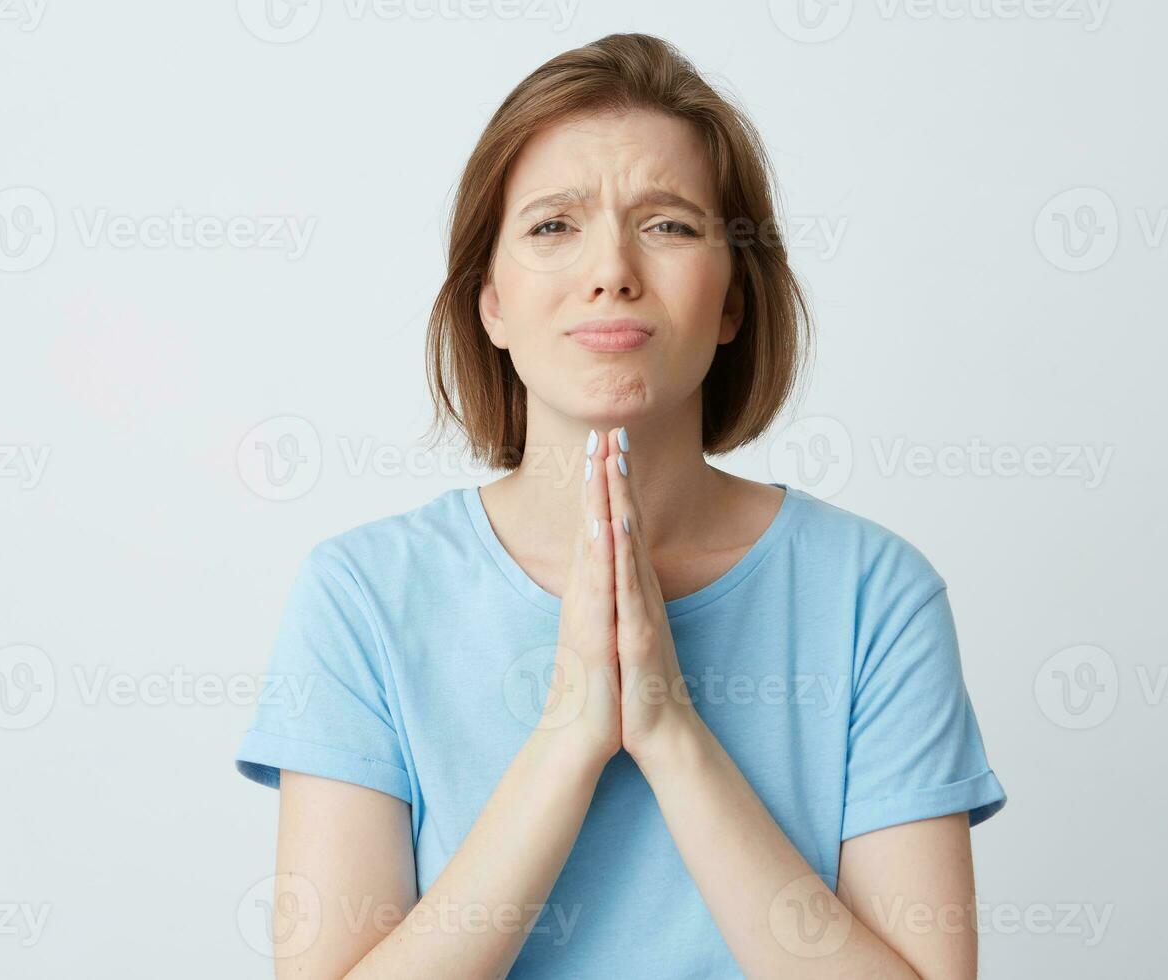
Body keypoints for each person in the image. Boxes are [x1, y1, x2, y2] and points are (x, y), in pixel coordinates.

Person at [234, 32, 1006, 979]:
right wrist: (569, 737)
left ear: (733, 303)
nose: (612, 271)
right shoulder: (361, 594)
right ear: (492, 305)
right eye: (554, 226)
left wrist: (671, 731)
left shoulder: (875, 596)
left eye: (670, 225)